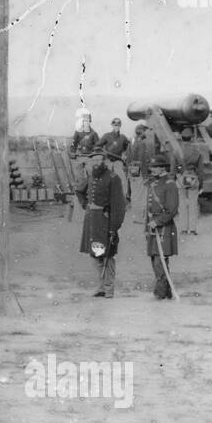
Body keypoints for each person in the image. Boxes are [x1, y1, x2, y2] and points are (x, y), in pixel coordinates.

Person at [76, 148, 125, 298]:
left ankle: (109, 289)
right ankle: (100, 287)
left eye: (99, 160)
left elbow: (118, 206)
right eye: (94, 160)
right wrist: (86, 205)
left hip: (105, 221)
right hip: (91, 220)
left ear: (105, 161)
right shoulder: (91, 176)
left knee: (107, 255)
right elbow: (79, 190)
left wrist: (113, 227)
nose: (96, 163)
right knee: (95, 254)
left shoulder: (113, 178)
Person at [144, 154, 179, 300]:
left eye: (155, 167)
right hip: (153, 228)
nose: (152, 169)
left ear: (162, 168)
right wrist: (148, 227)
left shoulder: (170, 184)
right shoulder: (154, 183)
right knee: (155, 260)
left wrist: (157, 222)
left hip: (164, 228)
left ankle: (160, 293)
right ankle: (167, 292)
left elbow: (172, 210)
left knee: (160, 262)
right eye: (151, 167)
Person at [173, 127, 204, 235]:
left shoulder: (177, 151)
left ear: (181, 138)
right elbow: (201, 170)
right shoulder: (197, 152)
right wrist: (201, 184)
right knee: (193, 204)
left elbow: (173, 168)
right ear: (191, 138)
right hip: (193, 177)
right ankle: (193, 229)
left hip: (181, 178)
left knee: (181, 204)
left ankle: (183, 229)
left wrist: (174, 179)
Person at [100, 116, 131, 202]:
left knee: (122, 180)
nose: (116, 127)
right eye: (115, 125)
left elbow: (127, 148)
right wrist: (102, 152)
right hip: (108, 162)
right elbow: (98, 146)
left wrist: (124, 155)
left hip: (118, 162)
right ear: (112, 126)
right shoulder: (106, 136)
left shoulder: (123, 137)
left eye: (118, 125)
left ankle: (124, 199)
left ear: (120, 126)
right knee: (106, 180)